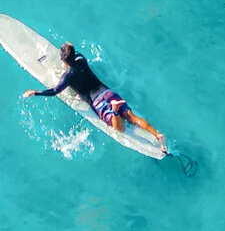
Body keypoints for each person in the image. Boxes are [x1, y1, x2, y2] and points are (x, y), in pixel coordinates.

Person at [23, 43, 166, 150]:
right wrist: (68, 52)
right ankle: (157, 135)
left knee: (120, 129)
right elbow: (72, 49)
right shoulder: (81, 59)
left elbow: (54, 91)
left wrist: (36, 92)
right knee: (132, 117)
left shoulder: (67, 77)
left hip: (98, 102)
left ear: (63, 60)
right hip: (108, 92)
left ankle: (114, 111)